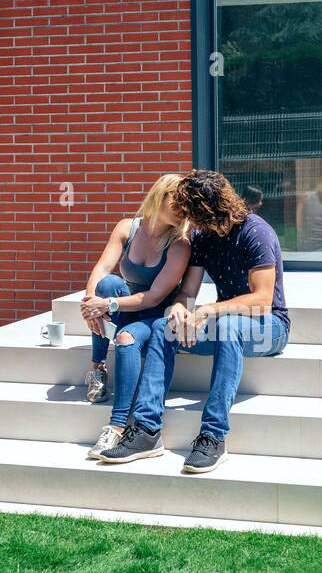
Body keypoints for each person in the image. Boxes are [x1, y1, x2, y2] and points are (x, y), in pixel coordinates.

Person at [99, 169, 290, 473]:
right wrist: (180, 308)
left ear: (208, 210)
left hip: (269, 327)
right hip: (226, 322)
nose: (187, 220)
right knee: (163, 327)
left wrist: (210, 310)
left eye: (191, 213)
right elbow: (188, 291)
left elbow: (262, 300)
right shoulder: (202, 238)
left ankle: (213, 436)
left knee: (229, 327)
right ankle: (146, 431)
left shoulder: (256, 233)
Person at [80, 174, 193, 458]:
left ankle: (116, 428)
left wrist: (107, 307)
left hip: (156, 316)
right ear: (160, 194)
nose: (181, 206)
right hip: (128, 304)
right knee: (105, 286)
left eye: (186, 203)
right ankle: (97, 368)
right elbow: (102, 268)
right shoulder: (127, 228)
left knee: (126, 336)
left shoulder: (180, 244)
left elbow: (155, 297)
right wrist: (89, 304)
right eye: (176, 199)